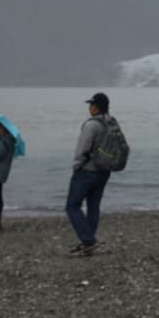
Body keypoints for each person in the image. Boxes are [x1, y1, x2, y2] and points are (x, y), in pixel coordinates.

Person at [65, 92, 117, 256]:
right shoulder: (112, 122)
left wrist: (76, 165)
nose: (89, 108)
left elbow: (83, 148)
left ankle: (89, 241)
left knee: (72, 206)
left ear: (96, 107)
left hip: (88, 170)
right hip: (104, 170)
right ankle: (88, 241)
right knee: (93, 206)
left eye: (91, 105)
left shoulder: (91, 125)